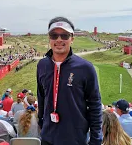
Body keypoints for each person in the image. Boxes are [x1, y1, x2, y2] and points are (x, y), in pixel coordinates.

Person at [37, 17, 102, 145]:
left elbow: (95, 105)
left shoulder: (86, 68)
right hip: (48, 138)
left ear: (72, 38)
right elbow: (41, 96)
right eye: (54, 35)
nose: (59, 39)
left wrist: (96, 140)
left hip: (75, 139)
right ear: (49, 39)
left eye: (64, 35)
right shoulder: (42, 65)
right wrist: (41, 122)